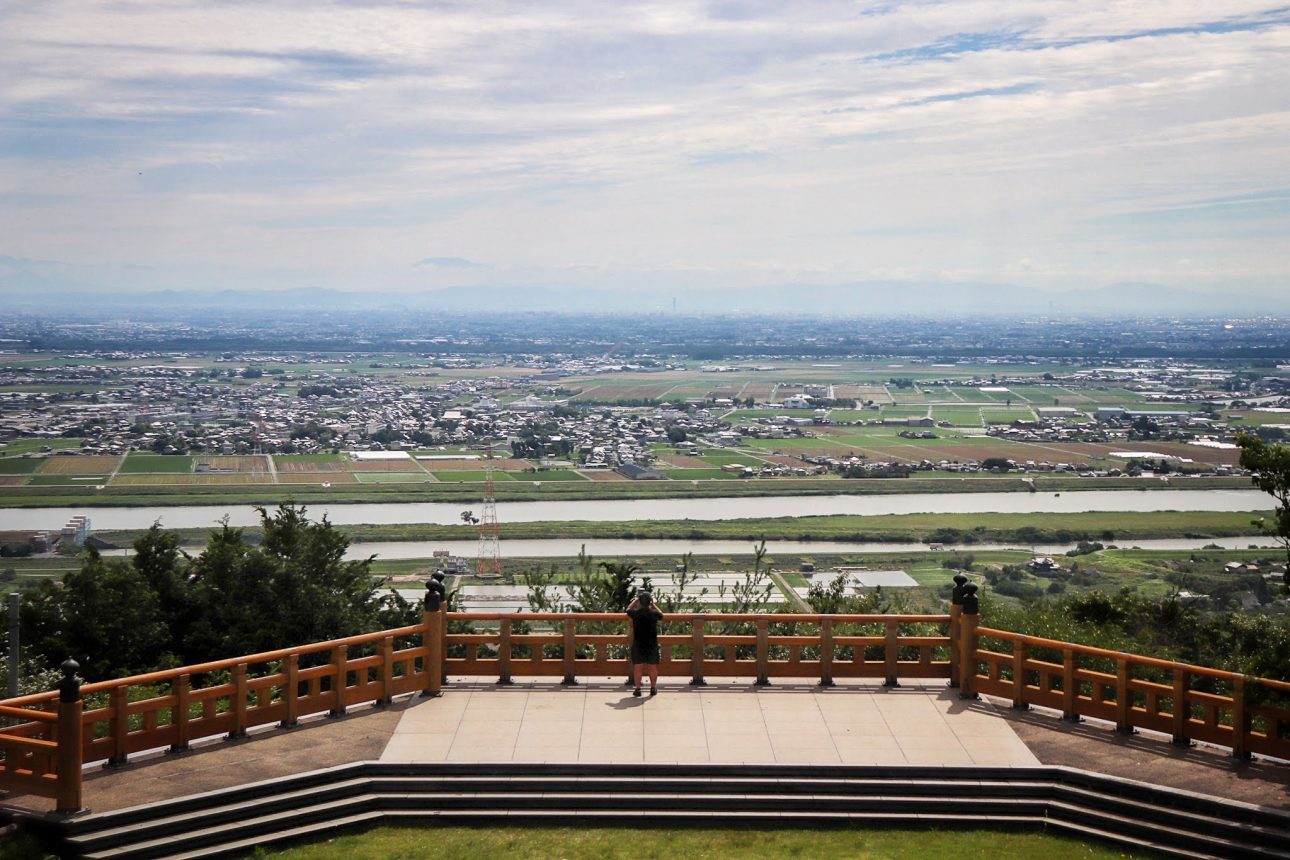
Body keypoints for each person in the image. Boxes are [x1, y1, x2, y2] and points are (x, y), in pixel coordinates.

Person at [626, 589, 662, 697]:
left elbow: (628, 609)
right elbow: (661, 614)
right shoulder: (654, 614)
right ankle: (653, 688)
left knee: (638, 668)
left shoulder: (636, 613)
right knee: (652, 668)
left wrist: (636, 600)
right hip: (652, 644)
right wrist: (653, 604)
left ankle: (638, 689)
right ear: (649, 601)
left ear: (640, 602)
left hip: (638, 644)